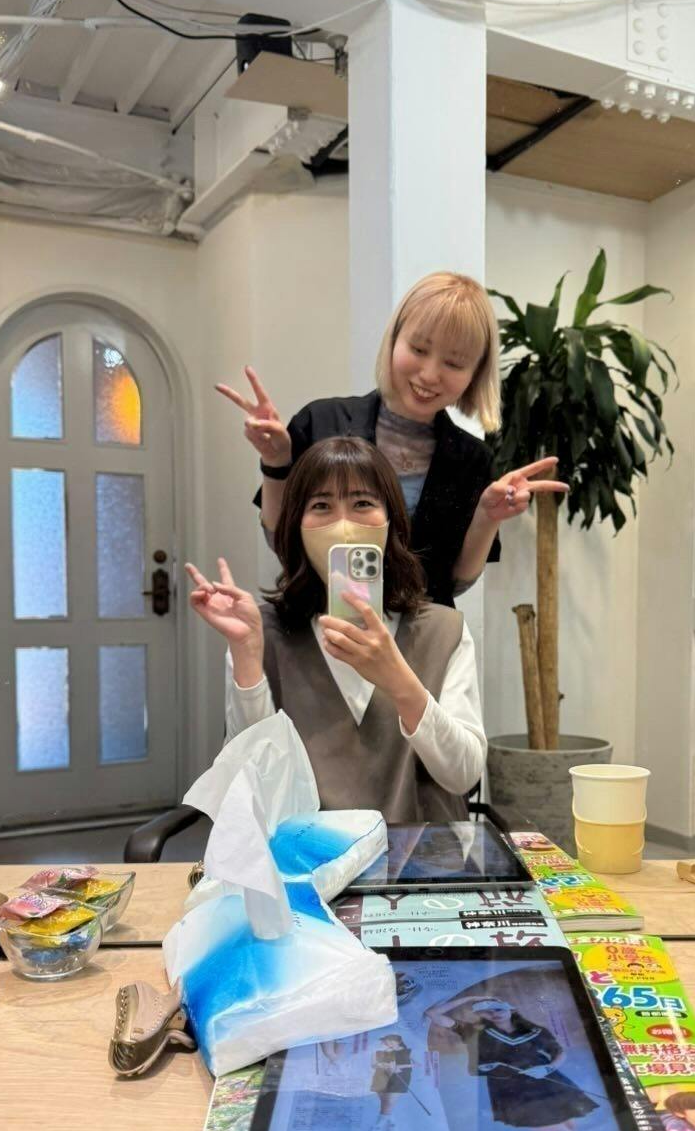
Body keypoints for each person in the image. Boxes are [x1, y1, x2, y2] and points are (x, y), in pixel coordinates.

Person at [215, 271, 568, 606]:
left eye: (454, 363)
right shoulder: (320, 423)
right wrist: (276, 461)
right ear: (395, 338)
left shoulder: (471, 459)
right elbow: (281, 542)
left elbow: (455, 582)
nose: (429, 374)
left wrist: (487, 517)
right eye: (419, 349)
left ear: (475, 374)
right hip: (318, 627)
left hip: (419, 636)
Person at [185, 436, 487, 821]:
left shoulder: (445, 631)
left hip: (420, 852)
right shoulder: (260, 632)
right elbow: (249, 781)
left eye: (362, 503)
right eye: (321, 506)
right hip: (306, 851)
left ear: (391, 520)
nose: (343, 525)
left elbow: (463, 776)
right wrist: (246, 654)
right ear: (296, 525)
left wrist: (399, 680)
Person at [423, 994, 597, 1131]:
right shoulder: (472, 1031)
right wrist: (471, 998)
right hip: (515, 1092)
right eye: (487, 1011)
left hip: (549, 1083)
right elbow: (433, 1014)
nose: (494, 1014)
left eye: (498, 1009)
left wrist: (547, 1069)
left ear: (510, 1009)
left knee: (570, 1130)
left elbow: (559, 1052)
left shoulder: (535, 1031)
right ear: (479, 1014)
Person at [368, 1033, 413, 1131]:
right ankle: (392, 1125)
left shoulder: (405, 1051)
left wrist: (399, 1067)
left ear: (398, 1041)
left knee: (388, 1103)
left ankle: (376, 1127)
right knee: (385, 1103)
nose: (387, 1043)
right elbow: (373, 1064)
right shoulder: (378, 1050)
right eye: (386, 1041)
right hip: (380, 1076)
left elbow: (417, 1063)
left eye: (390, 1041)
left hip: (399, 1078)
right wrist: (382, 1065)